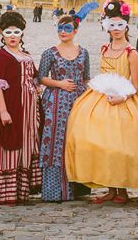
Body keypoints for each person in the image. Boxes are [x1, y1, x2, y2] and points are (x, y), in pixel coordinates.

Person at [65, 0, 138, 204]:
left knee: (119, 144)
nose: (116, 30)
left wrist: (123, 97)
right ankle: (110, 187)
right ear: (106, 26)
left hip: (124, 99)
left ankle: (122, 188)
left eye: (119, 25)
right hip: (101, 98)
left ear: (126, 26)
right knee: (100, 142)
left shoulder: (131, 53)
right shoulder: (104, 48)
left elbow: (136, 84)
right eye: (112, 25)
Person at [0, 11, 42, 205]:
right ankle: (3, 192)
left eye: (16, 32)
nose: (13, 36)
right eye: (8, 32)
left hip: (28, 110)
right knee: (6, 142)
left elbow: (35, 79)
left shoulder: (27, 56)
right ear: (2, 33)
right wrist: (3, 111)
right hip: (10, 105)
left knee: (24, 143)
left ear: (22, 33)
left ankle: (19, 191)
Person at [37, 16, 91, 202]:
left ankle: (77, 187)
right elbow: (41, 78)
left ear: (75, 30)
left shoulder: (83, 53)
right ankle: (53, 191)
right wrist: (59, 83)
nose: (63, 32)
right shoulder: (49, 53)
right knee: (55, 143)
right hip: (56, 102)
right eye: (60, 28)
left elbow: (86, 78)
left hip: (78, 102)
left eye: (67, 28)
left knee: (75, 142)